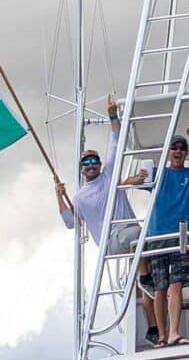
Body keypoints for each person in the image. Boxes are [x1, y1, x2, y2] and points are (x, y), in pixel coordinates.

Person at [55, 94, 160, 342]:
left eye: (94, 160)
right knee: (141, 236)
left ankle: (154, 326)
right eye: (86, 162)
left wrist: (113, 115)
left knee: (145, 270)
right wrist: (59, 195)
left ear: (100, 164)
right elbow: (71, 222)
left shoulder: (110, 174)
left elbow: (117, 140)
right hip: (113, 241)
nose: (91, 164)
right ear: (81, 168)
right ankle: (145, 277)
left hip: (132, 237)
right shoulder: (79, 196)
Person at [137, 128, 189, 347]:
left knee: (176, 285)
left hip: (181, 237)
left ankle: (174, 332)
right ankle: (161, 335)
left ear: (186, 153)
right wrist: (136, 178)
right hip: (157, 237)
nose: (177, 151)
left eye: (181, 149)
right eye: (174, 148)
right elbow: (134, 181)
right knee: (160, 288)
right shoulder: (156, 173)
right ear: (168, 152)